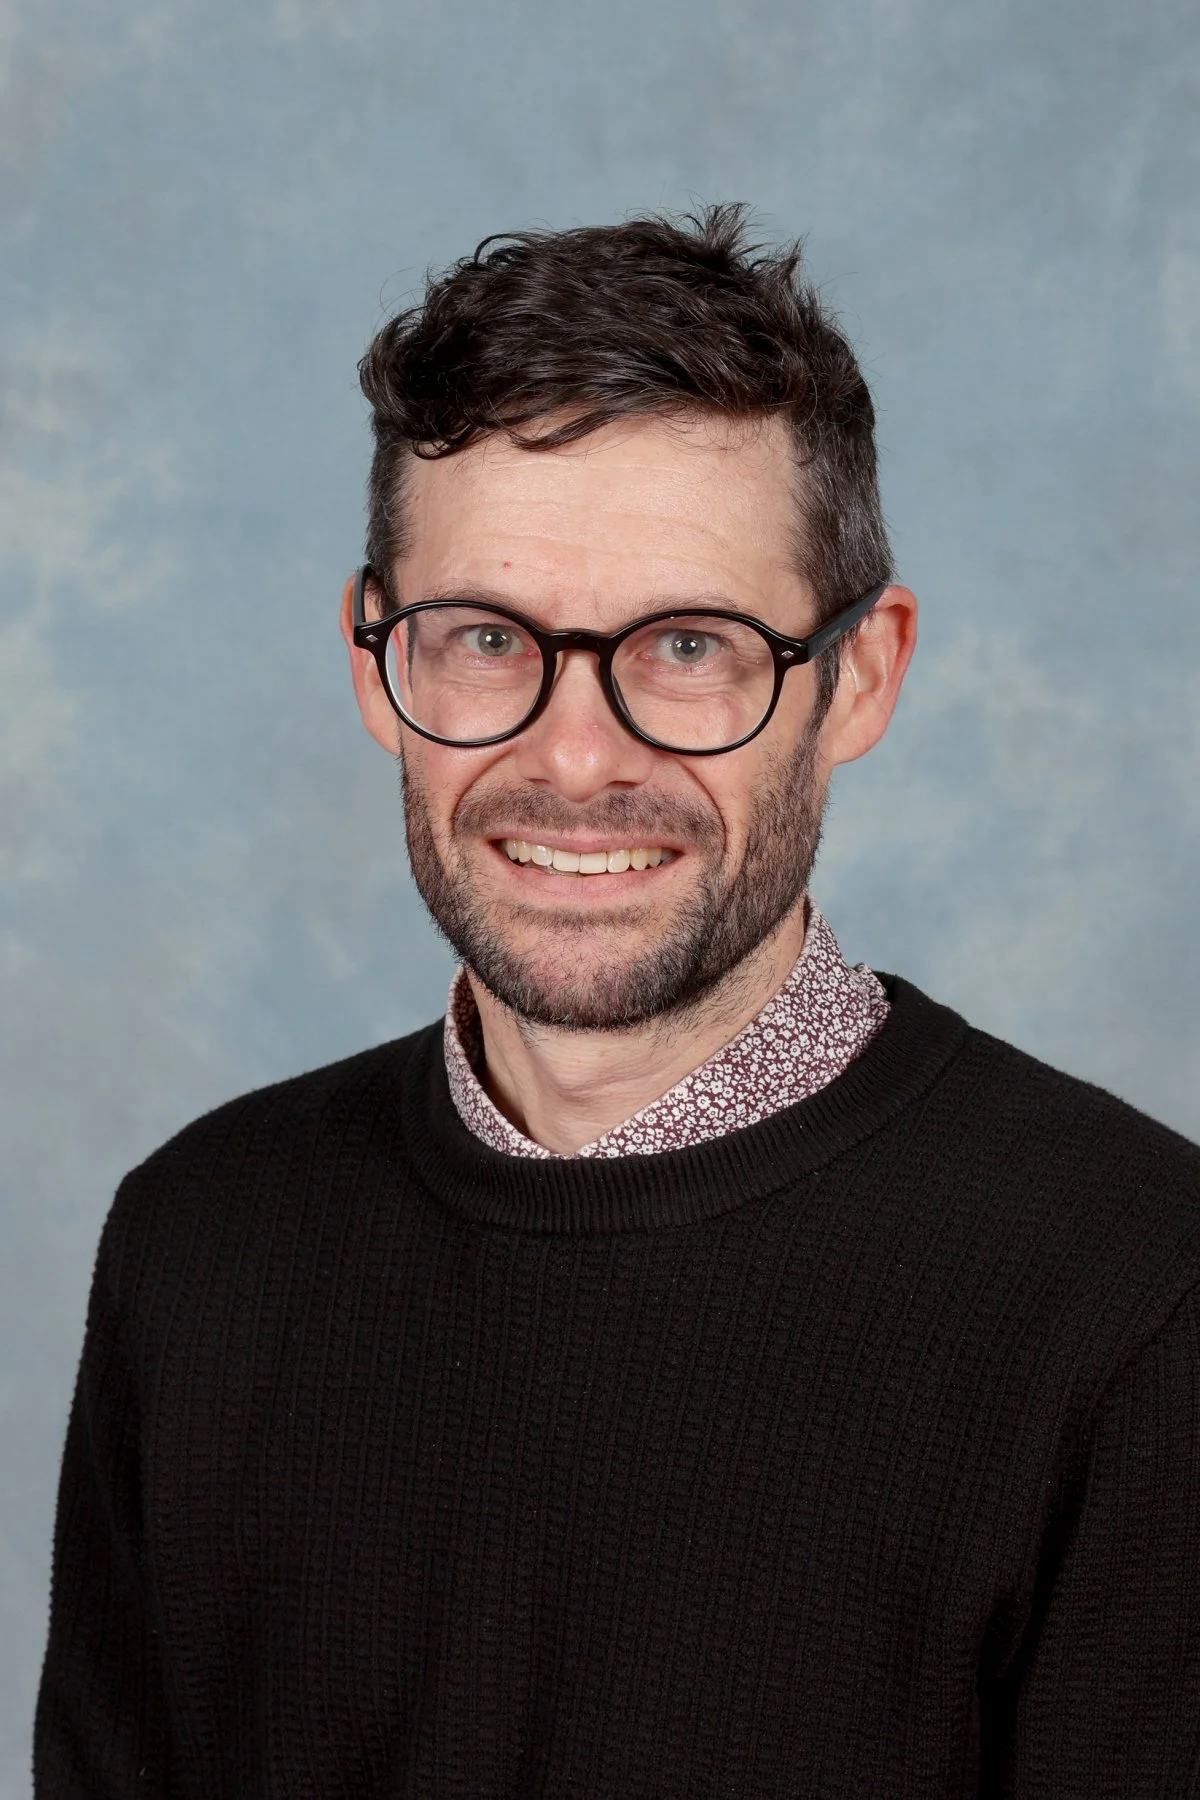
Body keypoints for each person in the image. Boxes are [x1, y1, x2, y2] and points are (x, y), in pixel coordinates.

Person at [36, 205, 1200, 1798]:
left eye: (689, 647)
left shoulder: (1141, 1299)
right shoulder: (197, 1242)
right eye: (486, 637)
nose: (577, 760)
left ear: (860, 676)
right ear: (380, 668)